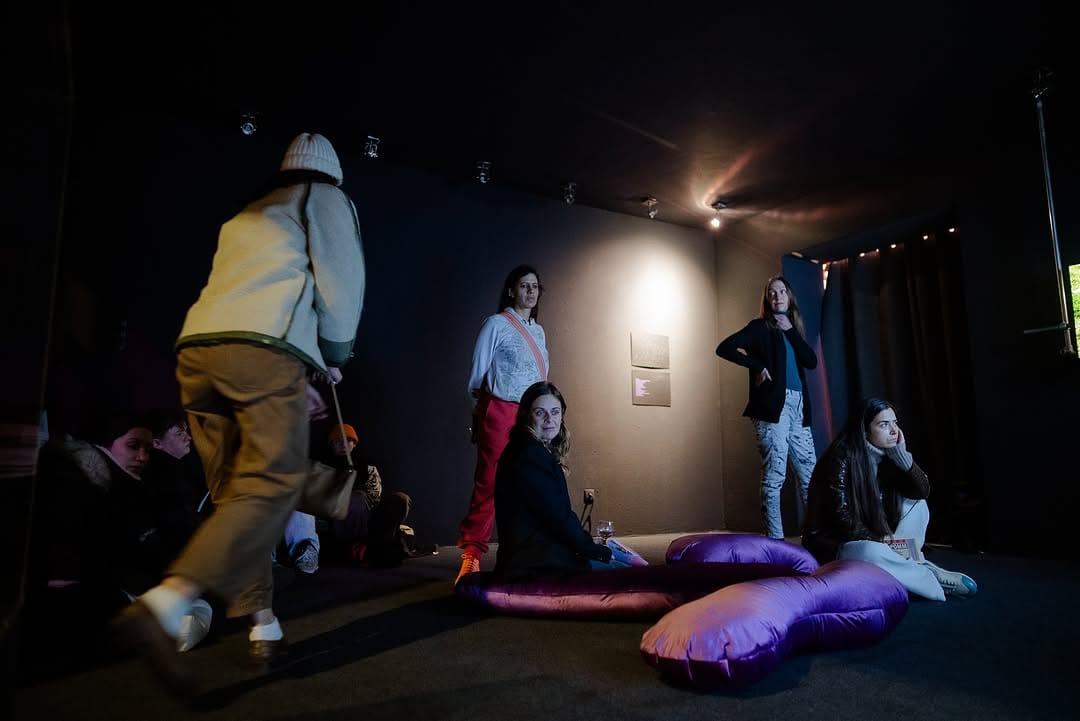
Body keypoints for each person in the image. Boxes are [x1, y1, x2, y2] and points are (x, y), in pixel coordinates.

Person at [111, 131, 365, 698]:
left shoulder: (251, 213)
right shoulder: (324, 199)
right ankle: (164, 604)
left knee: (236, 493)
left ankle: (262, 625)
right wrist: (334, 356)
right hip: (262, 349)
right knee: (269, 486)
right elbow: (342, 286)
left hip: (198, 350)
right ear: (331, 173)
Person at [802, 398, 977, 600]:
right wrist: (878, 542)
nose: (894, 431)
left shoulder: (889, 455)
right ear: (864, 430)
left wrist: (901, 457)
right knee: (871, 553)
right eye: (884, 425)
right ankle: (926, 576)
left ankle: (905, 567)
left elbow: (922, 492)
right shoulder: (840, 457)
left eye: (895, 423)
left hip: (876, 537)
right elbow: (841, 515)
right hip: (838, 543)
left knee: (916, 504)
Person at [492, 381, 644, 581]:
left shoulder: (525, 449)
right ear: (526, 415)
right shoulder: (530, 455)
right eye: (540, 413)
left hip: (532, 556)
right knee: (629, 573)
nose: (549, 420)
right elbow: (559, 517)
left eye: (555, 412)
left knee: (621, 563)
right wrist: (595, 550)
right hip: (533, 564)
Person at [456, 265, 549, 583]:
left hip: (532, 414)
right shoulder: (496, 324)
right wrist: (478, 413)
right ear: (511, 290)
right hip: (499, 409)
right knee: (490, 483)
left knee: (530, 484)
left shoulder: (538, 331)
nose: (531, 292)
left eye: (535, 287)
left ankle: (524, 552)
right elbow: (477, 374)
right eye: (524, 286)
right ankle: (472, 555)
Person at [715, 275, 817, 539]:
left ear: (789, 296)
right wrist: (757, 366)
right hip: (773, 409)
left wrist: (791, 331)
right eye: (772, 292)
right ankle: (776, 543)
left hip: (798, 408)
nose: (777, 296)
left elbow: (811, 361)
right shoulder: (760, 327)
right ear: (767, 298)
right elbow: (724, 347)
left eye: (782, 291)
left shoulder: (793, 329)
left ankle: (816, 540)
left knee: (811, 480)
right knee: (775, 478)